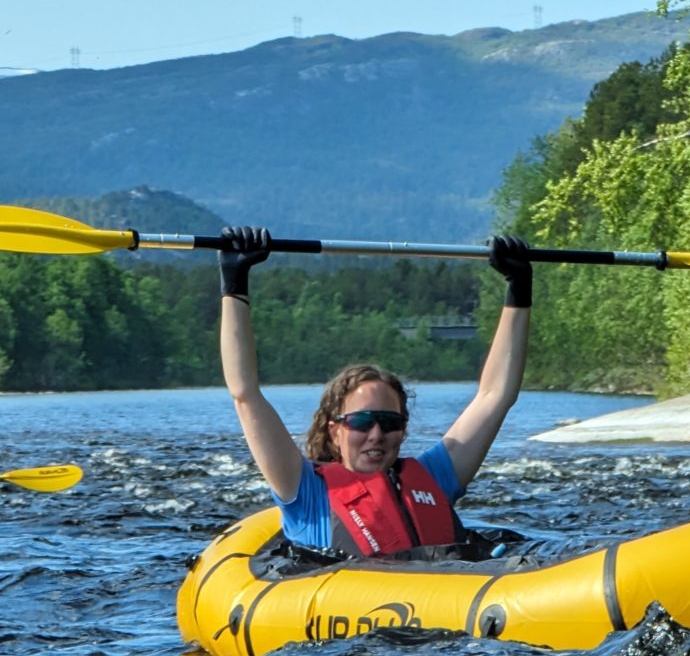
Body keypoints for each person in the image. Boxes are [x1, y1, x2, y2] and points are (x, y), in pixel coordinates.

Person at [215, 225, 532, 558]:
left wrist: (518, 288)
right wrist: (235, 283)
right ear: (335, 430)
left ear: (403, 429)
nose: (377, 434)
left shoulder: (434, 477)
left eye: (389, 422)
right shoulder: (304, 490)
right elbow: (245, 393)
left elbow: (494, 396)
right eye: (362, 422)